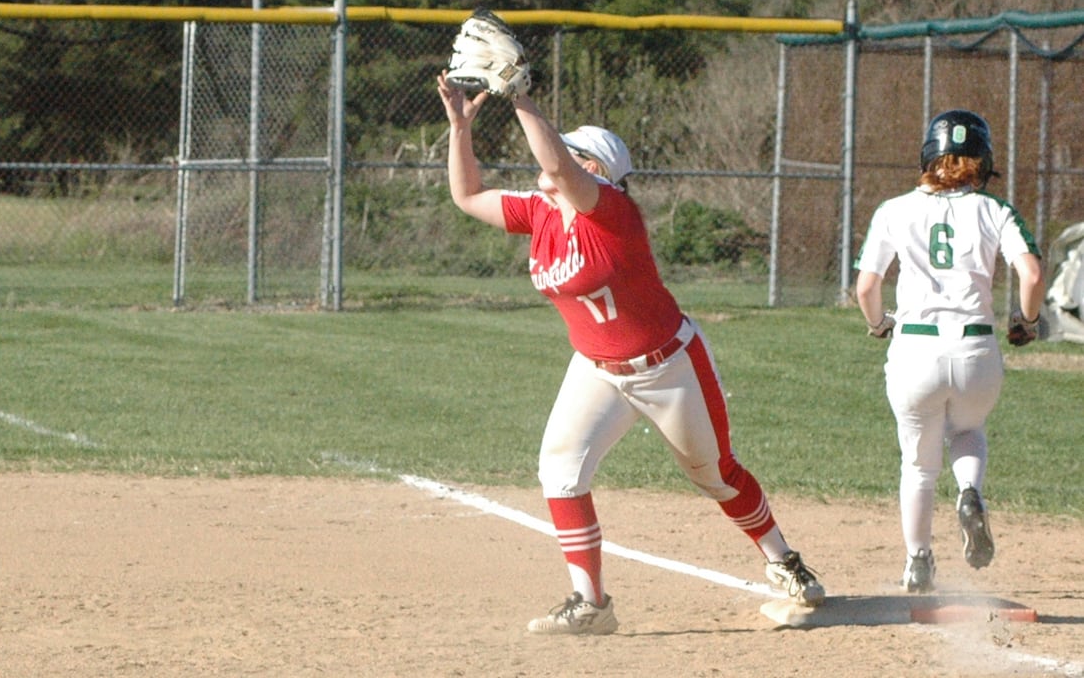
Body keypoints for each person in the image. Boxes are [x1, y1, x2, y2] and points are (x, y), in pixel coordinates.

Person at [437, 73, 824, 637]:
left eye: (572, 155)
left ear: (595, 172)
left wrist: (519, 95)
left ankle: (782, 558)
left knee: (715, 475)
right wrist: (459, 128)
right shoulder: (540, 214)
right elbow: (467, 196)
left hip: (669, 366)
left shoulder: (612, 215)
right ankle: (591, 603)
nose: (555, 161)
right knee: (560, 472)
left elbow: (561, 171)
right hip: (596, 369)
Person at [854, 109, 1043, 594]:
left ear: (927, 157)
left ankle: (918, 562)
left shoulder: (894, 210)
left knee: (918, 465)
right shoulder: (994, 210)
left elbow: (867, 286)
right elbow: (1033, 275)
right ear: (983, 161)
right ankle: (969, 493)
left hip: (915, 348)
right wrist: (1027, 322)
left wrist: (878, 325)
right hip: (977, 348)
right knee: (969, 430)